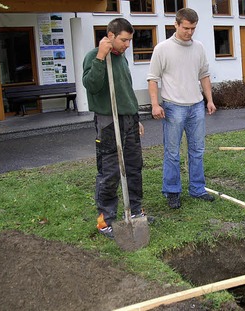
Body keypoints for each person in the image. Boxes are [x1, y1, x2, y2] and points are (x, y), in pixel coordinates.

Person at [82, 18, 150, 239]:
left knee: (133, 166)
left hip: (128, 119)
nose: (127, 45)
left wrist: (135, 116)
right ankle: (105, 220)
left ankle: (136, 210)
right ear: (110, 36)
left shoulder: (122, 59)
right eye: (124, 40)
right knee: (110, 171)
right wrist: (101, 57)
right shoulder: (94, 56)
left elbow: (126, 90)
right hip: (108, 121)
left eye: (130, 40)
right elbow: (92, 86)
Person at [147, 8, 217, 209]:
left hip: (196, 106)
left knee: (197, 150)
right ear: (176, 25)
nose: (189, 32)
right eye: (186, 28)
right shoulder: (162, 49)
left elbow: (204, 75)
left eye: (193, 28)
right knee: (172, 152)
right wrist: (154, 104)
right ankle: (172, 191)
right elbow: (153, 79)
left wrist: (209, 100)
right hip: (173, 107)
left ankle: (197, 189)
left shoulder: (199, 47)